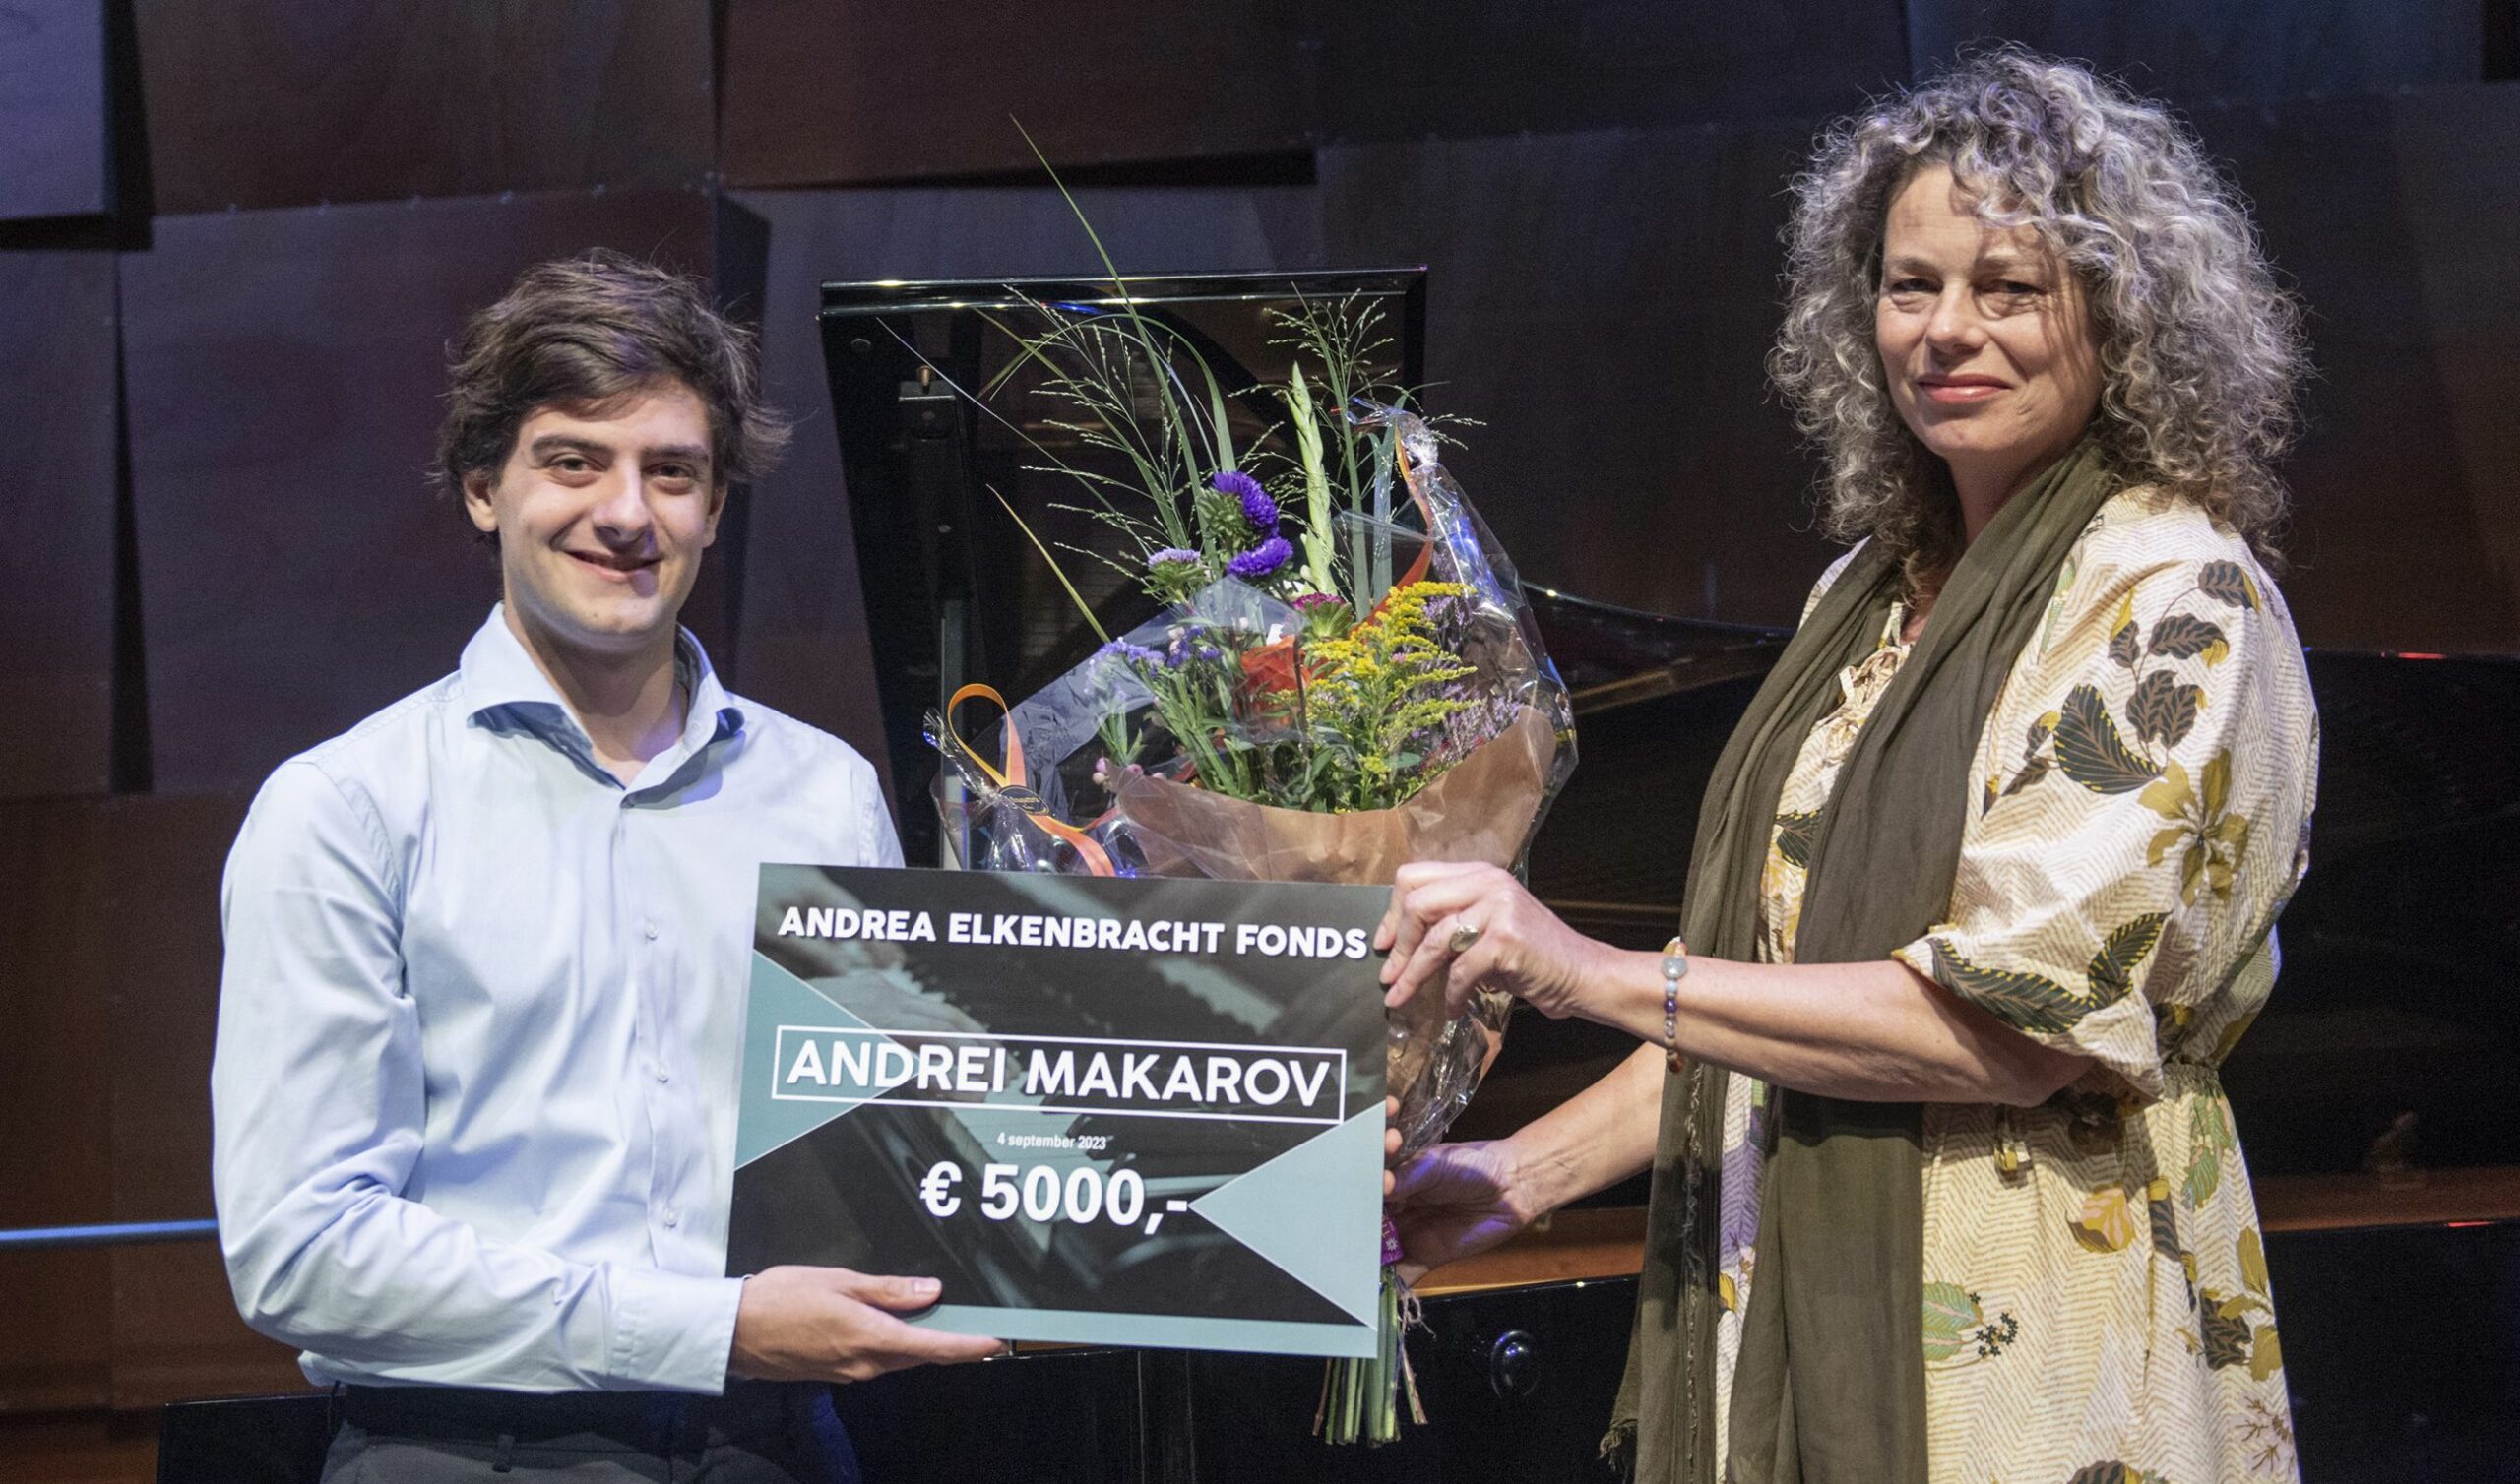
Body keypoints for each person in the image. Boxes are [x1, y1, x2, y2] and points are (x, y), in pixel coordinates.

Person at [1378, 50, 2316, 1484]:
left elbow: (2009, 1025)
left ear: (2122, 313)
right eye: (1908, 284)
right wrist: (1516, 1176)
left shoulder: (2173, 597)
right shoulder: (1864, 596)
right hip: (1790, 1308)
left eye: (2008, 287)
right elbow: (1777, 996)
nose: (1946, 330)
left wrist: (1585, 970)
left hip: (2032, 1337)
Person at [211, 252, 1002, 1483]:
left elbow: (907, 1152)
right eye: (574, 461)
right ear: (484, 487)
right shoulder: (347, 809)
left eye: (671, 470)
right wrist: (707, 1327)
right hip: (462, 1454)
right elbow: (301, 1250)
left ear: (715, 507)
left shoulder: (824, 792)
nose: (627, 513)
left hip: (780, 1447)